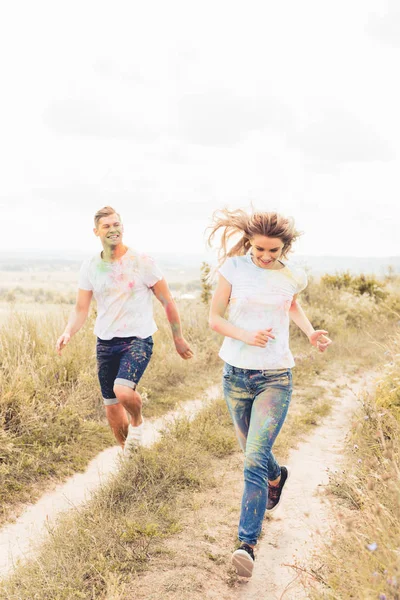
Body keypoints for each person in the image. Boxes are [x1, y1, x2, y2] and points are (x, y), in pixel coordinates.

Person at [208, 208, 332, 577]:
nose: (264, 256)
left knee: (252, 459)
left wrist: (309, 333)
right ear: (250, 243)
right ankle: (277, 477)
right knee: (254, 454)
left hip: (276, 377)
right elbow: (214, 318)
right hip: (235, 375)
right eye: (259, 249)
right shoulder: (233, 269)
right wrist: (247, 336)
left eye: (272, 252)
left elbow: (290, 302)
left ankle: (245, 545)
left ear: (284, 248)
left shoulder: (293, 276)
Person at [56, 206, 193, 455]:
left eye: (116, 224)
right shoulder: (90, 266)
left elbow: (167, 301)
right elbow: (80, 308)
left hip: (137, 339)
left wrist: (178, 337)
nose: (113, 229)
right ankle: (129, 455)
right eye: (107, 226)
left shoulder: (142, 262)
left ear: (122, 227)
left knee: (123, 391)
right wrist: (68, 332)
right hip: (105, 342)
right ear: (96, 231)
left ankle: (138, 420)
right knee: (111, 406)